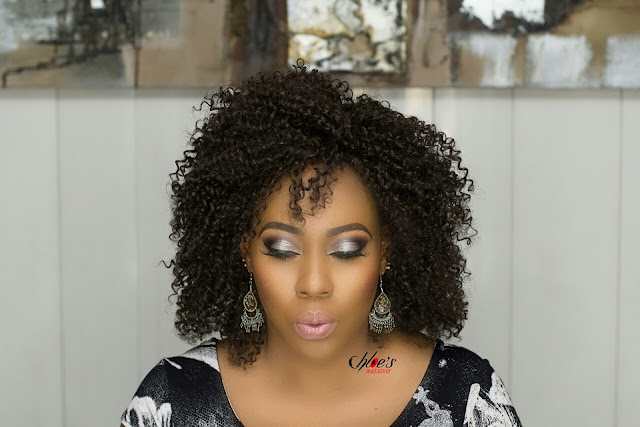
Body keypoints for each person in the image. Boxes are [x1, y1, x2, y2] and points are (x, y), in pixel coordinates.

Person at [120, 60, 523, 427]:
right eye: (282, 249)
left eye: (347, 251)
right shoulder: (172, 400)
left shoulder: (466, 397)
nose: (314, 283)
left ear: (386, 252)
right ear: (245, 250)